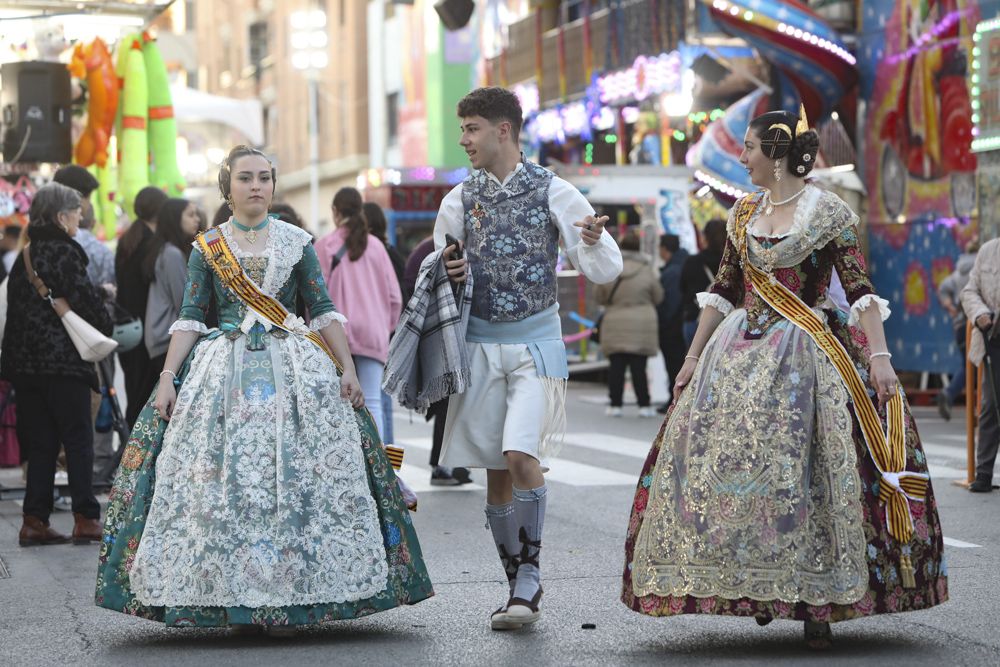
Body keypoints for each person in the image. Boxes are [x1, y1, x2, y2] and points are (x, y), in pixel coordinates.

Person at [622, 107, 946, 649]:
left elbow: (859, 287)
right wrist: (693, 358)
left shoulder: (828, 214)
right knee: (730, 468)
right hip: (738, 354)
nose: (743, 158)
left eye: (749, 148)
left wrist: (880, 357)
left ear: (775, 153)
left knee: (811, 470)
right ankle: (758, 589)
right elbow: (725, 289)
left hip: (808, 354)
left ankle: (818, 602)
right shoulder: (743, 211)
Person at [95, 145, 432, 633]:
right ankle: (231, 597)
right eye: (246, 178)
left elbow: (321, 309)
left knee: (294, 481)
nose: (256, 186)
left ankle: (292, 594)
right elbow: (190, 317)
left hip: (295, 369)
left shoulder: (297, 241)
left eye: (264, 178)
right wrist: (167, 379)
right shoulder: (207, 247)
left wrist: (347, 369)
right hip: (222, 374)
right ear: (227, 188)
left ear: (273, 185)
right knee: (225, 486)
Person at [434, 87, 622, 630]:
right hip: (479, 345)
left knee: (519, 455)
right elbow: (439, 279)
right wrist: (446, 274)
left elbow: (603, 268)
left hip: (537, 344)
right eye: (462, 128)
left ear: (503, 131)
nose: (464, 139)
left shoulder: (553, 190)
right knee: (496, 475)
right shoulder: (458, 201)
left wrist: (589, 240)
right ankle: (514, 582)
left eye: (472, 128)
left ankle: (531, 576)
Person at [1, 183, 113, 546]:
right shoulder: (65, 252)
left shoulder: (27, 256)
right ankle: (86, 517)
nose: (81, 216)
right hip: (63, 363)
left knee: (41, 443)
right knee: (78, 438)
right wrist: (104, 304)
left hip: (26, 366)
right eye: (77, 210)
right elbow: (85, 304)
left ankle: (34, 520)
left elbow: (15, 314)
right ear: (62, 216)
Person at [315, 188, 402, 439]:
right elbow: (395, 297)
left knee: (339, 403)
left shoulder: (325, 246)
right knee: (373, 401)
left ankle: (347, 465)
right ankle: (380, 469)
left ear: (335, 212)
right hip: (374, 332)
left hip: (336, 335)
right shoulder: (376, 246)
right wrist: (384, 328)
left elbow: (317, 297)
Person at [53, 164, 117, 485]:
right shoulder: (89, 246)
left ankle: (54, 476)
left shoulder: (32, 242)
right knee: (92, 410)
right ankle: (88, 475)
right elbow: (104, 296)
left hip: (50, 346)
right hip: (88, 343)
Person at [402, 235, 472, 487]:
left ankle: (448, 463)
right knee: (448, 397)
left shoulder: (428, 248)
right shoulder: (437, 249)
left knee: (448, 398)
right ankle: (444, 465)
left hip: (436, 325)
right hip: (438, 327)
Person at [115, 186, 168, 427]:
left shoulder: (128, 239)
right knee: (147, 393)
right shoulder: (154, 244)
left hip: (129, 327)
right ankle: (137, 453)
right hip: (149, 329)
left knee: (134, 389)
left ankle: (129, 451)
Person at [597, 231, 663, 418]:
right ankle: (644, 405)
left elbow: (599, 295)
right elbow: (658, 295)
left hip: (615, 320)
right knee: (638, 367)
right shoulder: (646, 269)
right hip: (642, 322)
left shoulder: (611, 268)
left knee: (616, 366)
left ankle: (615, 404)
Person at [141, 198, 199, 399]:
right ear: (175, 219)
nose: (197, 220)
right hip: (167, 339)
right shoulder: (172, 254)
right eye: (191, 215)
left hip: (158, 338)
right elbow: (184, 303)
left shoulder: (164, 249)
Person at [363, 201, 405, 447]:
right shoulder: (388, 252)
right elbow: (398, 296)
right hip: (385, 333)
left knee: (378, 402)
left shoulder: (371, 251)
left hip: (371, 335)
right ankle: (392, 468)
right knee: (382, 404)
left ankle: (387, 465)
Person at [960, 237, 1000, 493]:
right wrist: (980, 313)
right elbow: (969, 291)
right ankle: (984, 473)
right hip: (992, 338)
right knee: (990, 407)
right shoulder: (988, 250)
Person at [936, 240, 978, 420]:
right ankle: (953, 393)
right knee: (976, 364)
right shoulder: (982, 265)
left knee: (970, 364)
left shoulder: (957, 272)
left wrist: (950, 307)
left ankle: (951, 393)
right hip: (977, 322)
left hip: (961, 325)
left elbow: (943, 289)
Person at [679, 218, 726, 346]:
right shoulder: (730, 262)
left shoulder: (692, 261)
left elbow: (683, 288)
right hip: (724, 321)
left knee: (694, 361)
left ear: (704, 237)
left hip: (694, 318)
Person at [656, 233, 688, 410]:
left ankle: (674, 399)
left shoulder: (672, 271)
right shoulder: (683, 264)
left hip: (672, 326)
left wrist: (664, 322)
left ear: (664, 249)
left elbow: (671, 303)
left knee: (674, 363)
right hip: (682, 323)